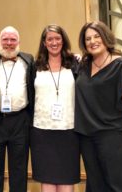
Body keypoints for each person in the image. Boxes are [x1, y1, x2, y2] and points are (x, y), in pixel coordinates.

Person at [75, 21, 122, 192]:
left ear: (106, 37)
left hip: (114, 135)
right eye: (88, 39)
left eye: (97, 36)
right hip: (87, 136)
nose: (92, 41)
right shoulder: (83, 66)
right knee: (96, 186)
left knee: (120, 185)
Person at [0, 26, 35, 192]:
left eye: (13, 40)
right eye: (5, 39)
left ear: (19, 42)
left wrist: (74, 57)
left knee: (19, 171)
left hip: (20, 121)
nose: (9, 43)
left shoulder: (28, 60)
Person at [30, 24, 80, 192]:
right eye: (49, 39)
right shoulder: (35, 66)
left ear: (63, 41)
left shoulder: (75, 64)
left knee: (67, 178)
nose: (54, 42)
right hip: (42, 131)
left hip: (69, 130)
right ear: (44, 43)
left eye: (57, 38)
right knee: (47, 179)